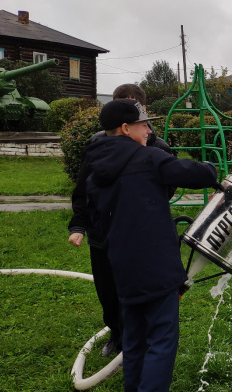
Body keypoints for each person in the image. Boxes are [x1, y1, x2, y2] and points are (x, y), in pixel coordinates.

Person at [85, 99, 217, 392]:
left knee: (135, 341)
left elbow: (97, 216)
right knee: (161, 343)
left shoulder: (95, 166)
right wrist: (211, 166)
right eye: (144, 124)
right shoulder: (148, 158)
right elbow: (199, 175)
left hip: (122, 267)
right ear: (126, 128)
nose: (150, 130)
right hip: (156, 267)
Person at [68, 84, 174, 357]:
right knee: (108, 291)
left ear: (143, 110)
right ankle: (117, 335)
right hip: (102, 237)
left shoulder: (158, 148)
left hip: (141, 238)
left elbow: (167, 191)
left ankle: (145, 340)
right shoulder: (96, 145)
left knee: (142, 291)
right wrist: (79, 225)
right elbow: (83, 188)